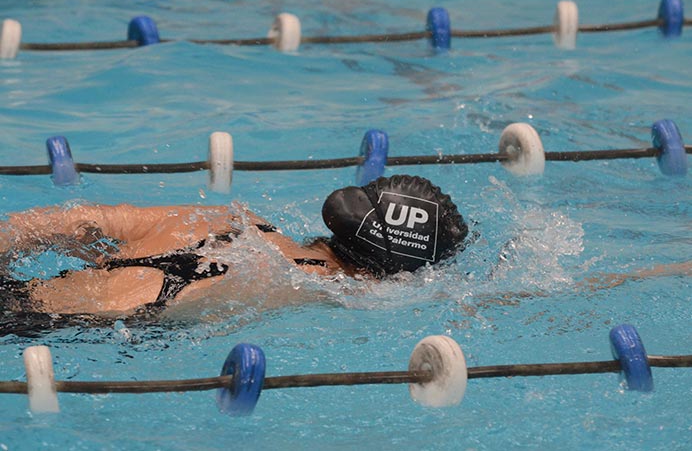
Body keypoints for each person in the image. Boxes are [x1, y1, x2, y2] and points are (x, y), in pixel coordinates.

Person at [0, 175, 468, 334]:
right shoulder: (333, 288)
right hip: (61, 332)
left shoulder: (233, 219)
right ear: (391, 271)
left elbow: (88, 221)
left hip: (27, 296)